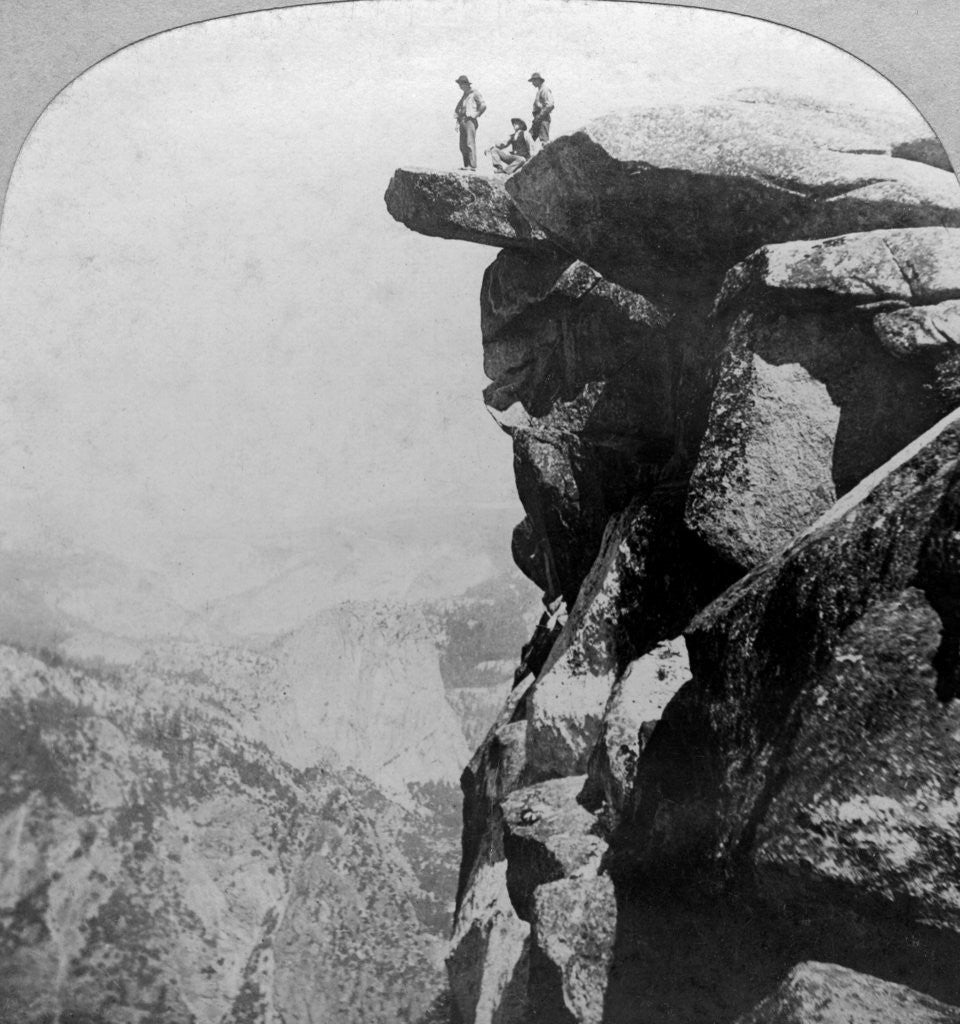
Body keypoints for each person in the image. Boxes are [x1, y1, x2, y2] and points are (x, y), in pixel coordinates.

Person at [454, 75, 486, 171]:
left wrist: (476, 114)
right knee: (462, 145)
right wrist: (457, 123)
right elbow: (459, 110)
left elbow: (483, 105)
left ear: (466, 84)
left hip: (470, 121)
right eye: (459, 84)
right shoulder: (464, 96)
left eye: (461, 84)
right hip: (462, 121)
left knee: (470, 143)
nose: (460, 86)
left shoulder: (475, 93)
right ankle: (466, 165)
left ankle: (472, 165)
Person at [528, 72, 555, 144]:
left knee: (544, 141)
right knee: (528, 138)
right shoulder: (540, 90)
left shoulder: (544, 89)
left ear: (538, 80)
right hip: (538, 119)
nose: (532, 83)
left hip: (543, 118)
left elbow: (550, 104)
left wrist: (540, 116)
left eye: (534, 80)